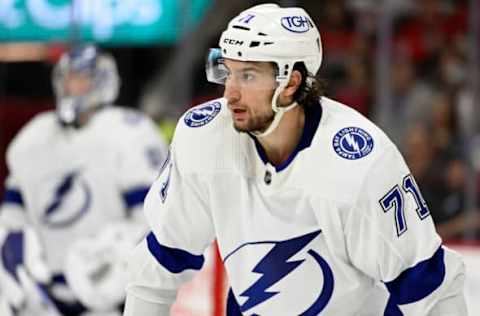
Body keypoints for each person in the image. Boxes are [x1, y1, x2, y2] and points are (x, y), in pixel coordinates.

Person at [124, 4, 467, 315]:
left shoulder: (359, 162)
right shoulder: (204, 138)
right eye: (227, 72)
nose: (229, 93)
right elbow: (160, 262)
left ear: (290, 82)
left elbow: (431, 291)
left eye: (248, 75)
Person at [0, 44, 168, 316]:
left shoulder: (128, 131)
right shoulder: (35, 136)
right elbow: (11, 219)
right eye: (68, 78)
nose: (73, 86)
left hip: (108, 291)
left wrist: (118, 260)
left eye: (82, 78)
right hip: (43, 294)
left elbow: (156, 218)